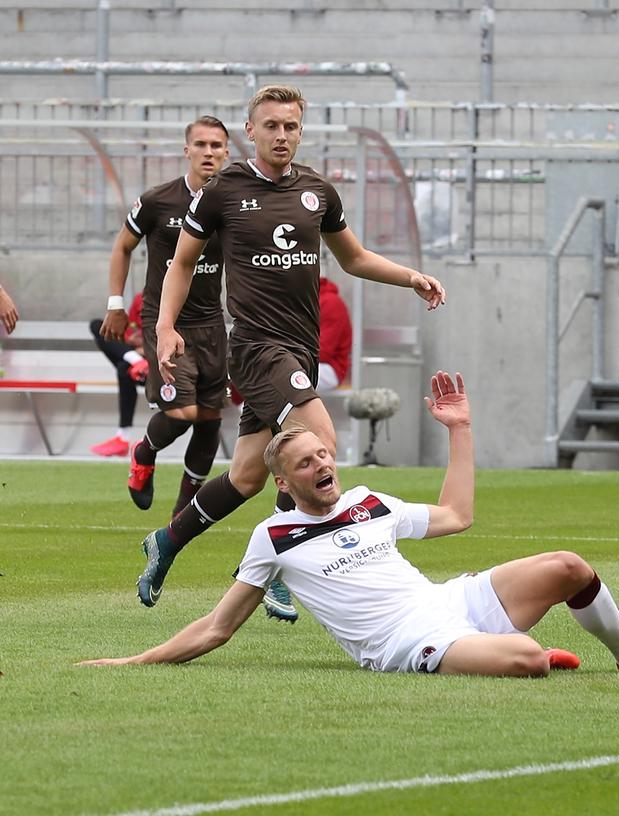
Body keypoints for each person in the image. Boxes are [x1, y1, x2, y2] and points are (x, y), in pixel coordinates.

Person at [80, 372, 619, 678]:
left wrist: (460, 428)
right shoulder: (272, 540)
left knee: (569, 568)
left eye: (324, 456)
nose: (322, 465)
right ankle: (507, 650)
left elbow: (457, 516)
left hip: (449, 603)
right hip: (405, 642)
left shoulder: (368, 500)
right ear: (283, 482)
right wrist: (134, 662)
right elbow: (216, 628)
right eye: (306, 463)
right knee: (528, 659)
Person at [136, 84, 446, 624]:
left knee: (249, 477)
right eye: (272, 126)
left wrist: (410, 277)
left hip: (301, 350)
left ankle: (167, 539)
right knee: (319, 441)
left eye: (292, 127)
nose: (282, 135)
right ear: (250, 131)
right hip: (256, 347)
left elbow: (353, 258)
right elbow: (180, 263)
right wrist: (165, 328)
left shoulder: (318, 192)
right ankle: (279, 565)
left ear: (302, 131)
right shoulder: (223, 191)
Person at [100, 116, 230, 513]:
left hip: (211, 322)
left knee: (209, 418)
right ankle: (144, 452)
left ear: (226, 152)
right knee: (182, 413)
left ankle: (186, 510)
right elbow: (123, 246)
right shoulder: (159, 201)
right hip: (165, 320)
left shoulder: (232, 202)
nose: (209, 152)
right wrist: (116, 303)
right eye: (202, 145)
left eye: (217, 146)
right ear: (186, 149)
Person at [87, 293, 148, 457]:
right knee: (98, 326)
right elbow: (130, 332)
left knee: (123, 368)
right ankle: (136, 361)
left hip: (162, 361)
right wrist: (133, 342)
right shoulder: (140, 298)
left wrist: (147, 348)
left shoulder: (176, 294)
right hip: (138, 358)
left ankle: (123, 437)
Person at [317, 274, 352, 392]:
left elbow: (323, 352)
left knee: (283, 376)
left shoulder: (331, 303)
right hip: (305, 361)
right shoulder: (301, 300)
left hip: (330, 368)